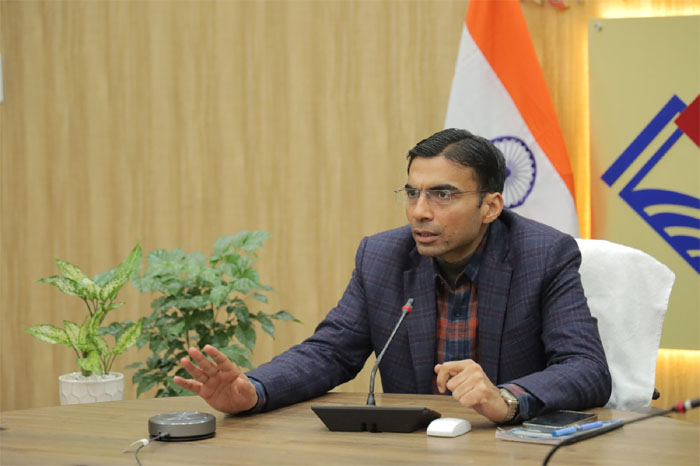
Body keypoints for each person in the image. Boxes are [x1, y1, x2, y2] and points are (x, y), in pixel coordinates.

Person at [175, 128, 612, 424]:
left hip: (509, 449)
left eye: (442, 195)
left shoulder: (543, 255)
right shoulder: (382, 256)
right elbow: (330, 352)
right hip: (411, 449)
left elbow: (586, 368)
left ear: (491, 207)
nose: (420, 211)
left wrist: (508, 398)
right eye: (412, 193)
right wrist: (253, 390)